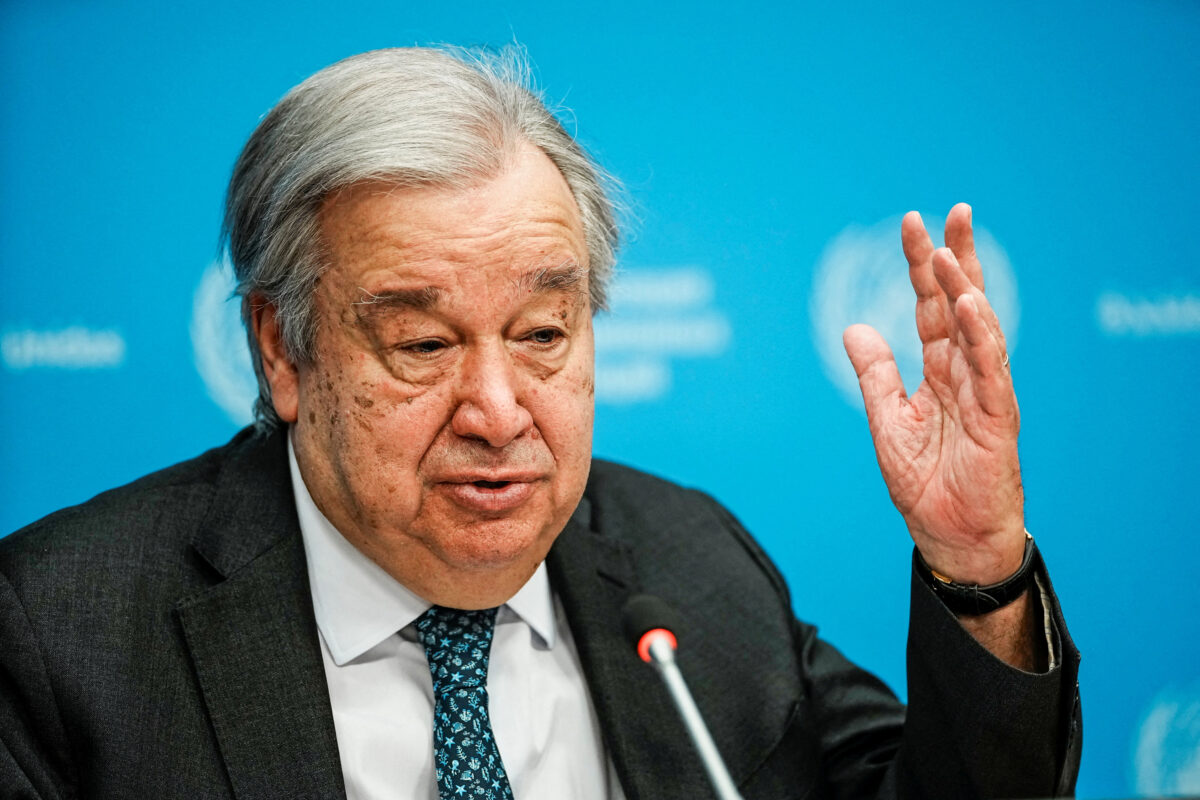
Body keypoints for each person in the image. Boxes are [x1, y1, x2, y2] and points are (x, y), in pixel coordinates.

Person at [0, 46, 1080, 799]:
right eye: (423, 344)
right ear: (283, 349)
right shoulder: (60, 633)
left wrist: (974, 564)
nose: (500, 410)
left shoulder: (691, 562)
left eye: (542, 333)